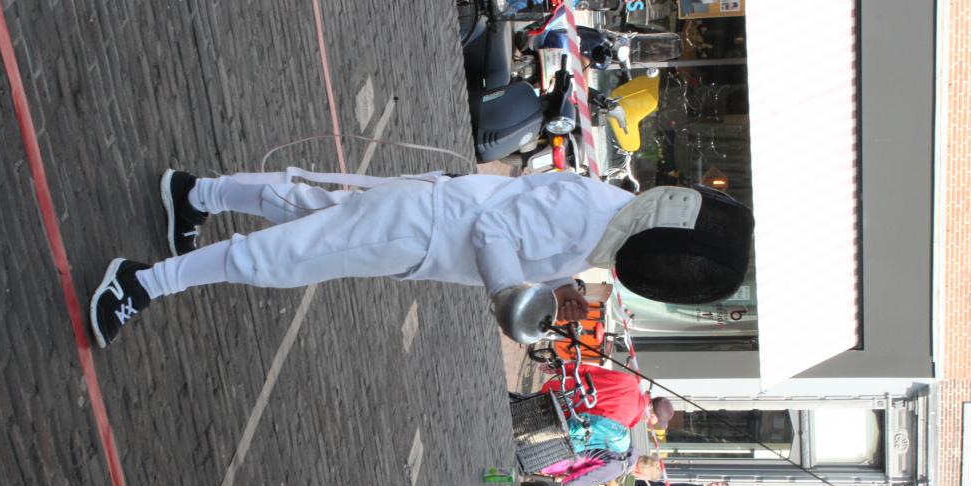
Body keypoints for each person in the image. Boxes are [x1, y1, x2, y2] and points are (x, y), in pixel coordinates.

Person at [89, 168, 754, 347]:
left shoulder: (604, 228)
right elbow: (495, 230)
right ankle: (143, 282)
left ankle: (193, 194)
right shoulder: (591, 210)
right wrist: (509, 293)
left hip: (424, 232)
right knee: (282, 257)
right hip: (419, 228)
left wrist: (553, 288)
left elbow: (523, 245)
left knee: (304, 210)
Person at [540, 362, 676, 430]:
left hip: (557, 389)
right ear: (653, 416)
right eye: (655, 422)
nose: (651, 424)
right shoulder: (623, 423)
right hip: (556, 417)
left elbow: (590, 370)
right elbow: (587, 427)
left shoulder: (631, 382)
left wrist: (560, 368)